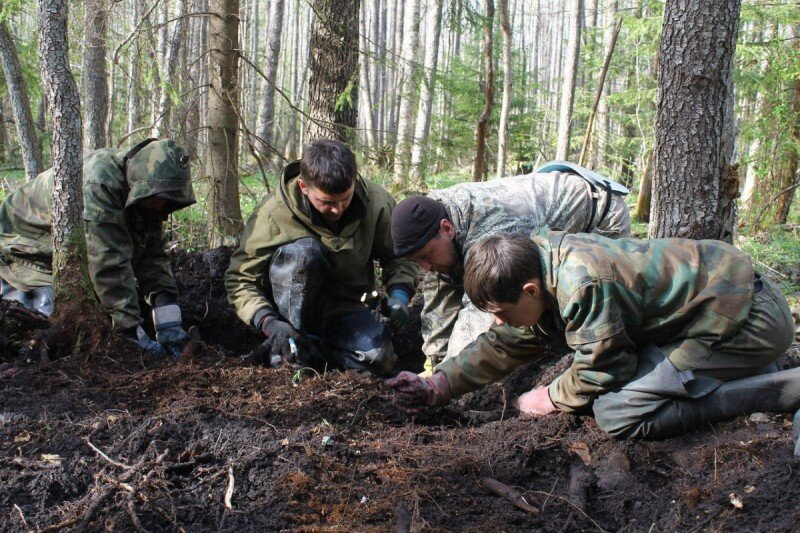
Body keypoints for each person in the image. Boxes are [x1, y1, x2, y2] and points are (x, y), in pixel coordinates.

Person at [387, 231, 799, 440]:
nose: (500, 323)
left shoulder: (581, 283)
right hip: (716, 312)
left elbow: (604, 369)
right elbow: (511, 340)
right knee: (637, 388)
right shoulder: (537, 261)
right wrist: (440, 382)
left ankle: (781, 388)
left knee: (617, 414)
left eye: (500, 313)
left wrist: (548, 396)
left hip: (747, 321)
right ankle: (747, 369)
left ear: (529, 291)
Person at [390, 162, 631, 371]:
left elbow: (480, 310)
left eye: (426, 257)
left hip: (599, 216)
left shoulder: (491, 233)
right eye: (416, 261)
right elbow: (439, 294)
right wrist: (434, 361)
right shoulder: (430, 219)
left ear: (447, 229)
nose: (424, 267)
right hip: (542, 218)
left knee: (589, 308)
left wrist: (448, 377)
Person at [225, 139, 418, 376]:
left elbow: (399, 256)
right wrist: (268, 322)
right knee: (304, 253)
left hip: (349, 308)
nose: (338, 209)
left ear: (355, 181)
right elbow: (241, 279)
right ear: (304, 187)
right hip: (288, 316)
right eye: (327, 202)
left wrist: (399, 295)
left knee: (379, 361)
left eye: (345, 199)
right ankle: (289, 350)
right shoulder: (272, 215)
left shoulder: (378, 203)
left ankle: (319, 353)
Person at [0, 138, 196, 355]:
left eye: (168, 198)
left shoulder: (146, 199)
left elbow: (153, 259)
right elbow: (107, 259)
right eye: (157, 197)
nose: (160, 205)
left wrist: (169, 320)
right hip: (22, 248)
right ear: (139, 183)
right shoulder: (99, 183)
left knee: (122, 305)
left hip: (70, 249)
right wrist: (131, 335)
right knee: (64, 319)